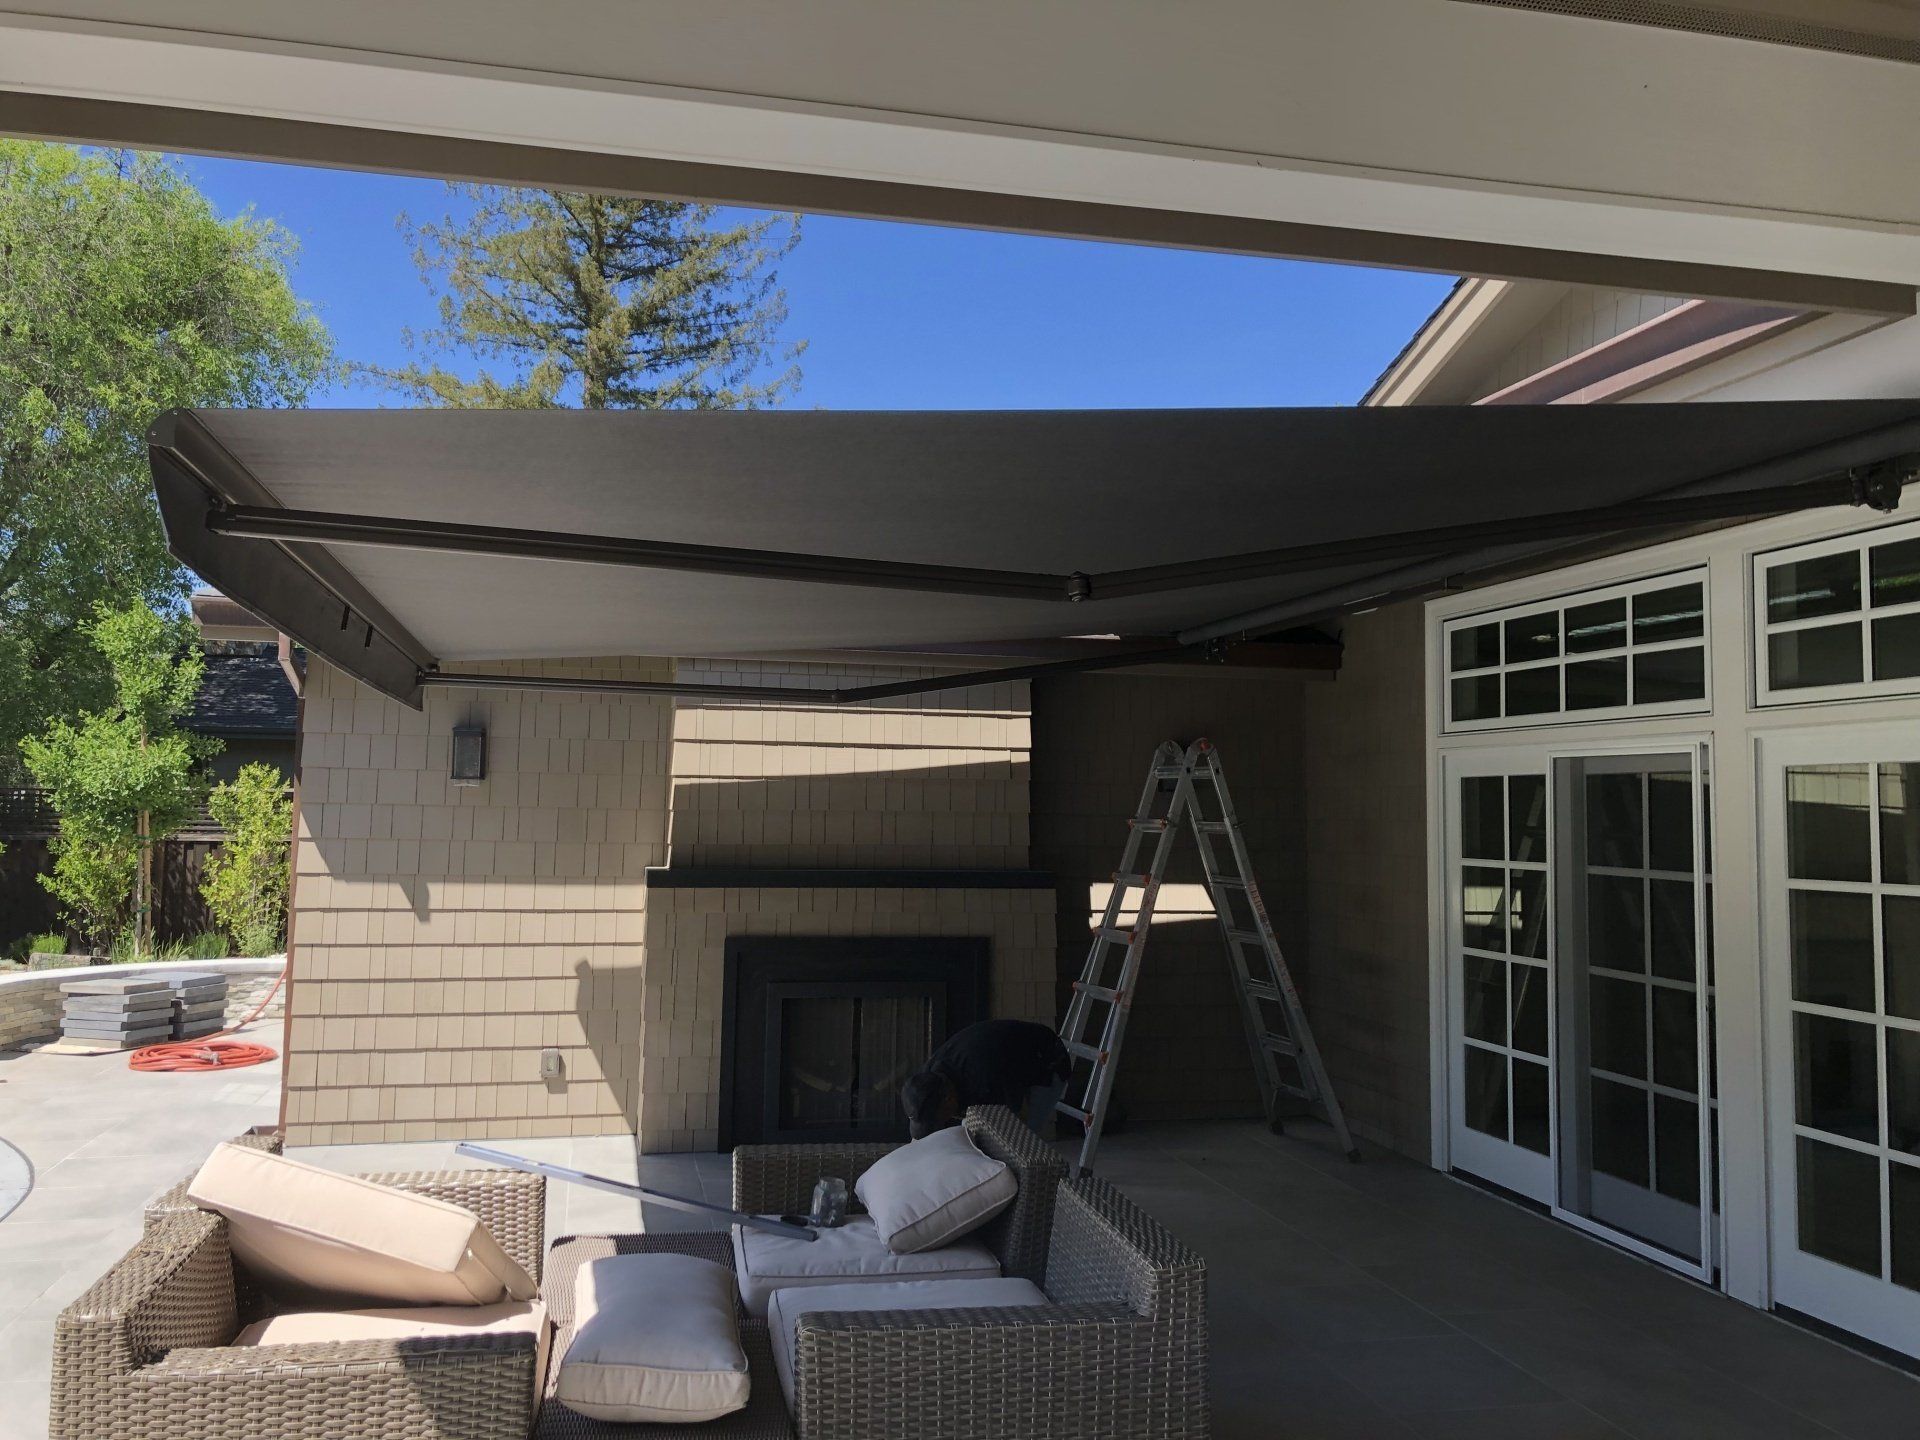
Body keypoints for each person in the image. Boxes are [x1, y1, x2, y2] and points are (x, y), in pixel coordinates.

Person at [900, 1019, 1071, 1140]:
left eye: (938, 1119)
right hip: (1005, 1058)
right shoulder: (929, 1074)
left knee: (1021, 1140)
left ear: (948, 1099)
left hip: (1049, 1061)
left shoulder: (985, 1078)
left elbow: (1015, 1118)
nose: (941, 1124)